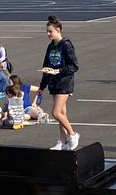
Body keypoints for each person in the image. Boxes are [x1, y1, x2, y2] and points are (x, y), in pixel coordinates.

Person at [29, 15, 80, 151]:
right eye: (47, 31)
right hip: (53, 83)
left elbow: (74, 66)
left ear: (58, 30)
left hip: (64, 83)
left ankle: (73, 134)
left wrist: (58, 71)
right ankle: (62, 142)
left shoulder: (66, 44)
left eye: (50, 31)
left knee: (56, 113)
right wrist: (42, 86)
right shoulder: (50, 46)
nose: (48, 34)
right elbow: (46, 66)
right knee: (62, 113)